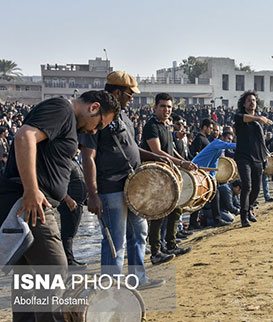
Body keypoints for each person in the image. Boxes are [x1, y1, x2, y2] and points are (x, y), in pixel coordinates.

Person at [0, 91, 120, 322]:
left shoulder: (64, 117)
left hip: (24, 202)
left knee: (27, 280)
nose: (95, 130)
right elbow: (24, 137)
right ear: (94, 107)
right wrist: (32, 190)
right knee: (53, 271)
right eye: (99, 123)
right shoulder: (61, 109)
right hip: (31, 204)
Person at [80, 71, 174, 281]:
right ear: (117, 92)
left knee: (139, 233)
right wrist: (93, 193)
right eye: (129, 94)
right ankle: (112, 286)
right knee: (115, 239)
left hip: (133, 186)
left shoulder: (122, 116)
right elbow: (88, 156)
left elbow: (131, 148)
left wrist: (155, 157)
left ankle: (138, 278)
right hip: (111, 187)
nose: (132, 99)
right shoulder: (96, 116)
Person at [140, 93, 195, 259]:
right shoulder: (152, 126)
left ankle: (171, 245)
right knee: (159, 212)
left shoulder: (166, 125)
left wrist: (183, 161)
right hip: (156, 174)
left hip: (169, 173)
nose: (166, 110)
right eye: (163, 106)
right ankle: (156, 251)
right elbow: (157, 151)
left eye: (169, 107)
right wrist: (181, 163)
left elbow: (170, 149)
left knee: (175, 208)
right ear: (155, 107)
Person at [233, 91, 273, 227]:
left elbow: (261, 141)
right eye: (249, 100)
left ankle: (249, 208)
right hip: (243, 157)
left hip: (257, 157)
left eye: (254, 100)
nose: (252, 102)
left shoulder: (258, 122)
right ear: (244, 104)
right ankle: (243, 216)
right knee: (247, 185)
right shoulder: (239, 117)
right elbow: (244, 118)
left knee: (256, 188)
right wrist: (258, 118)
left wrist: (265, 157)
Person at [191, 130, 236, 227]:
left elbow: (213, 164)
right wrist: (243, 146)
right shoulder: (217, 143)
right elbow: (230, 146)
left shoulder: (220, 150)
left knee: (203, 196)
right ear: (222, 138)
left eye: (231, 140)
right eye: (228, 139)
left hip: (203, 172)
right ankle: (215, 220)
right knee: (202, 196)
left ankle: (195, 222)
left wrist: (212, 179)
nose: (229, 141)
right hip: (196, 169)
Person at [57, 152, 88, 267]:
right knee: (68, 232)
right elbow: (60, 183)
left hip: (78, 202)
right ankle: (68, 261)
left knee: (71, 232)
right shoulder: (64, 162)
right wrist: (67, 198)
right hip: (70, 203)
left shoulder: (74, 161)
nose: (79, 150)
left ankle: (69, 258)